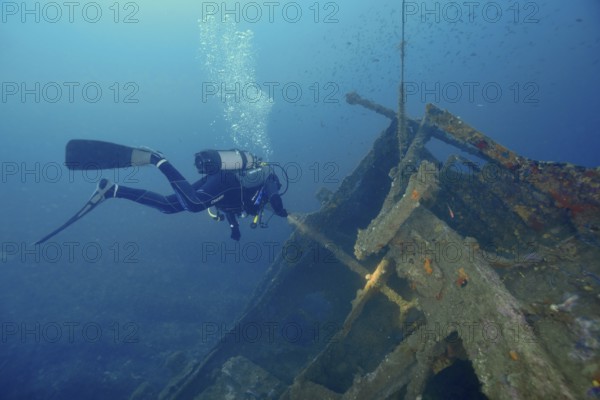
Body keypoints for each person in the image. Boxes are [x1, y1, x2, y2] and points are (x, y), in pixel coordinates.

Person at [36, 143, 288, 244]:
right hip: (226, 179)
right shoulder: (268, 179)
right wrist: (280, 208)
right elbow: (273, 192)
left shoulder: (252, 199)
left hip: (221, 183)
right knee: (192, 204)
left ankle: (112, 190)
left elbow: (229, 207)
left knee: (169, 206)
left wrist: (234, 229)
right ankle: (158, 160)